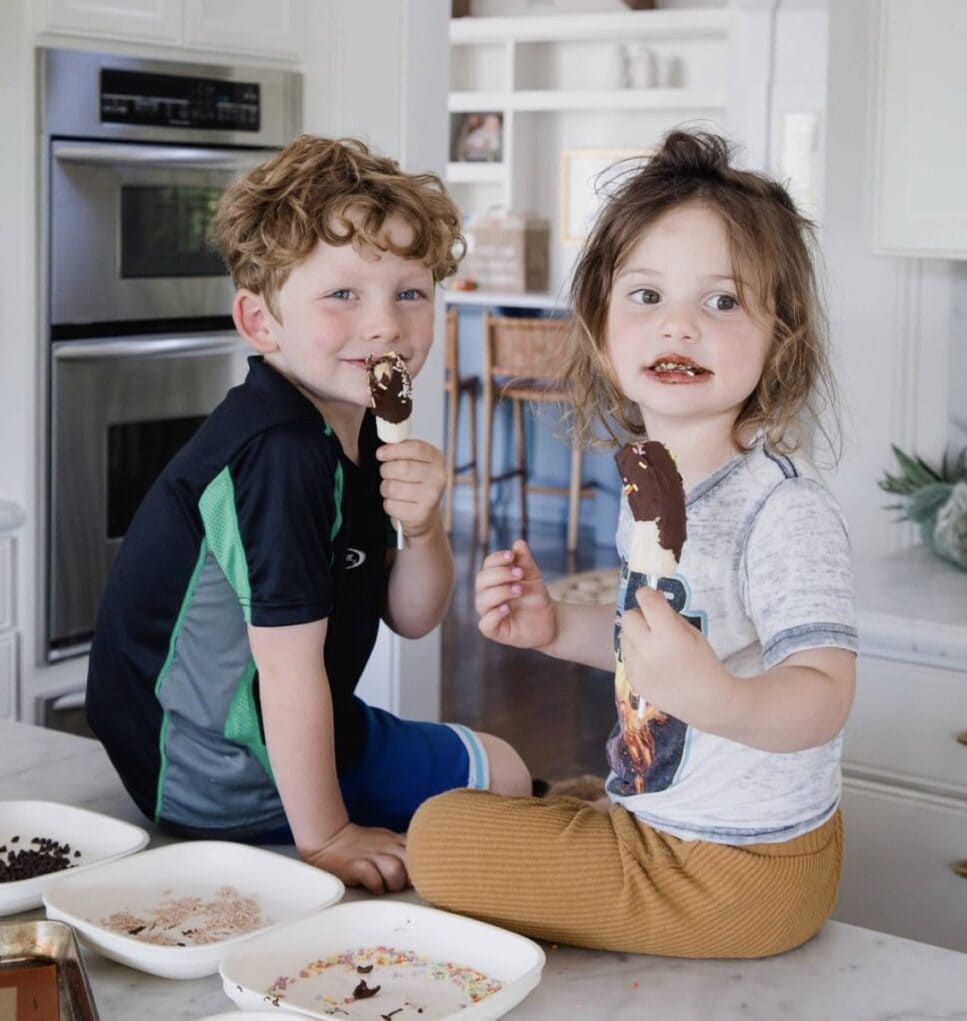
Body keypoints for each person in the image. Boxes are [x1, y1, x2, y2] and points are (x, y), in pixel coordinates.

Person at [407, 130, 857, 957]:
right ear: (603, 331)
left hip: (738, 871)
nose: (679, 324)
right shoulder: (653, 479)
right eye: (646, 296)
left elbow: (825, 691)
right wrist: (550, 628)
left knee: (438, 837)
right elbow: (649, 649)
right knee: (509, 801)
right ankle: (600, 822)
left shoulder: (781, 511)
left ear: (779, 338)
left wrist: (718, 698)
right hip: (671, 826)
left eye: (722, 301)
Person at [85, 135, 531, 894]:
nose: (385, 324)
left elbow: (412, 615)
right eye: (344, 295)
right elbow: (286, 671)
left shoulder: (349, 425)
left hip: (284, 724)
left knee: (503, 771)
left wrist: (424, 530)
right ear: (261, 322)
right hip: (210, 765)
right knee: (505, 781)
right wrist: (327, 835)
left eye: (411, 292)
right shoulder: (281, 452)